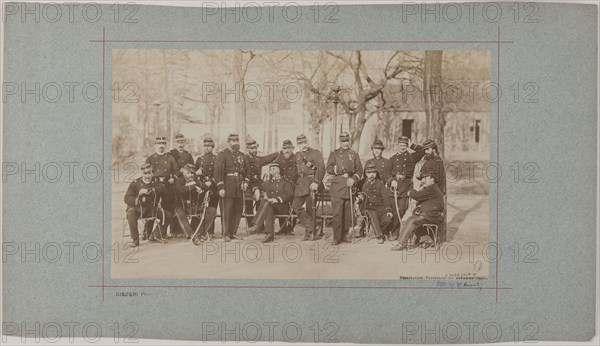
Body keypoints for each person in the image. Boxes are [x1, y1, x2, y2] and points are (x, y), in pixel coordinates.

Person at [391, 168, 444, 251]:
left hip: (434, 215)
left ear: (432, 179)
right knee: (412, 218)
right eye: (422, 178)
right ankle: (426, 239)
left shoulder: (432, 188)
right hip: (429, 215)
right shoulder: (429, 188)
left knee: (413, 220)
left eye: (426, 178)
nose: (423, 180)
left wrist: (410, 192)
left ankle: (401, 243)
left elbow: (417, 195)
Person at [326, 131, 363, 245]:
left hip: (349, 186)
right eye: (343, 141)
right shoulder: (334, 153)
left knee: (348, 213)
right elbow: (329, 168)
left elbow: (359, 170)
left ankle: (345, 235)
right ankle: (337, 237)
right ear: (340, 141)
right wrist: (339, 170)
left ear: (349, 141)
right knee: (337, 213)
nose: (345, 143)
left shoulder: (354, 154)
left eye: (347, 141)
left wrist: (354, 179)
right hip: (337, 186)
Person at [243, 163, 294, 243]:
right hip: (271, 206)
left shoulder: (285, 182)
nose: (274, 170)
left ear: (280, 170)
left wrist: (276, 199)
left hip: (283, 207)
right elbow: (257, 184)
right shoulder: (268, 183)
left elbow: (290, 194)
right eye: (272, 169)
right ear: (270, 172)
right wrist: (256, 188)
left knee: (267, 202)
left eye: (276, 168)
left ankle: (256, 226)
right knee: (268, 206)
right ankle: (270, 235)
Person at [387, 136, 426, 240]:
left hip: (406, 186)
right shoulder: (392, 159)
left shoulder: (411, 157)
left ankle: (398, 232)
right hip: (394, 187)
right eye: (401, 145)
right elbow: (386, 174)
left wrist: (412, 145)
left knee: (402, 210)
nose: (403, 147)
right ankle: (395, 233)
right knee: (395, 211)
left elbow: (423, 150)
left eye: (405, 145)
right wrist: (392, 181)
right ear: (397, 146)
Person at [124, 163, 172, 247]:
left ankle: (155, 235)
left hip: (151, 210)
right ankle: (135, 240)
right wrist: (137, 200)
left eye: (149, 173)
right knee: (130, 212)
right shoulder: (135, 183)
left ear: (152, 173)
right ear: (142, 173)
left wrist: (149, 190)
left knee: (168, 215)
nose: (147, 176)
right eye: (145, 173)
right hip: (138, 209)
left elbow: (163, 188)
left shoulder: (156, 182)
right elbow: (127, 198)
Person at [214, 133, 249, 242]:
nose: (235, 143)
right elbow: (218, 172)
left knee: (238, 209)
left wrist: (246, 182)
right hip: (227, 186)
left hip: (239, 186)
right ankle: (226, 233)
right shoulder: (222, 154)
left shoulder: (242, 155)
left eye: (237, 141)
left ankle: (234, 232)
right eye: (233, 141)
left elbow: (248, 171)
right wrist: (221, 187)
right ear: (228, 142)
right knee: (227, 210)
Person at [291, 134, 325, 241]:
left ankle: (309, 233)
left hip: (312, 183)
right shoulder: (297, 155)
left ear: (308, 142)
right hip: (301, 184)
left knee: (311, 208)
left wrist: (316, 182)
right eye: (301, 143)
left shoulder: (315, 153)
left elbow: (321, 168)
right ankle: (314, 225)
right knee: (295, 206)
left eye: (305, 142)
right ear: (297, 145)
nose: (303, 145)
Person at [145, 136, 179, 238]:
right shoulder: (150, 158)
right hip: (154, 185)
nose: (161, 146)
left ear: (166, 145)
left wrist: (174, 178)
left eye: (163, 143)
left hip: (167, 186)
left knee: (167, 209)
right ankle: (147, 232)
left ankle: (162, 232)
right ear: (155, 145)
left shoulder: (170, 158)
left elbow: (176, 170)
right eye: (159, 143)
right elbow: (145, 172)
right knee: (151, 209)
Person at [173, 164, 216, 243]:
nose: (190, 175)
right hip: (183, 207)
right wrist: (193, 186)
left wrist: (196, 184)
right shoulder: (179, 181)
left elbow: (206, 188)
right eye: (188, 173)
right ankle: (191, 234)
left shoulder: (196, 180)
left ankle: (200, 233)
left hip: (196, 207)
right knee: (178, 212)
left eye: (192, 173)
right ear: (183, 173)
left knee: (212, 210)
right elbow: (181, 190)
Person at [244, 136, 279, 231]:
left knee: (262, 201)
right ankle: (251, 226)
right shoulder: (244, 159)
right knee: (248, 206)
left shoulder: (259, 159)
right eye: (252, 148)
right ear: (248, 149)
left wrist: (278, 152)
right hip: (248, 184)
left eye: (255, 148)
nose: (254, 150)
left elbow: (268, 158)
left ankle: (260, 226)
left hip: (258, 183)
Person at [357, 162, 393, 244]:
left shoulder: (380, 183)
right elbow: (355, 193)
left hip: (380, 207)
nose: (372, 175)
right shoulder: (361, 183)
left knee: (388, 220)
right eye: (369, 173)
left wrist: (388, 210)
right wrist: (358, 198)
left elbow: (385, 197)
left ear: (376, 173)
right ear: (366, 173)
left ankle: (379, 231)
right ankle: (379, 236)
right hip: (367, 206)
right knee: (373, 216)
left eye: (373, 172)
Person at [195, 137, 219, 238]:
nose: (206, 148)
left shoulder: (217, 158)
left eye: (209, 146)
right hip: (201, 186)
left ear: (212, 147)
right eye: (205, 145)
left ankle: (210, 231)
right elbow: (194, 174)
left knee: (212, 208)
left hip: (212, 187)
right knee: (201, 209)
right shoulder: (199, 159)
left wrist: (211, 182)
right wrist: (197, 176)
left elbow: (219, 174)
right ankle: (200, 231)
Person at [274, 139, 298, 234]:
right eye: (285, 148)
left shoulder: (296, 158)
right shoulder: (279, 158)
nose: (287, 150)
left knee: (294, 206)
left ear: (292, 149)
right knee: (281, 205)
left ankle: (291, 228)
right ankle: (283, 228)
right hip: (282, 186)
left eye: (289, 148)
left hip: (294, 186)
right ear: (282, 149)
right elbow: (274, 170)